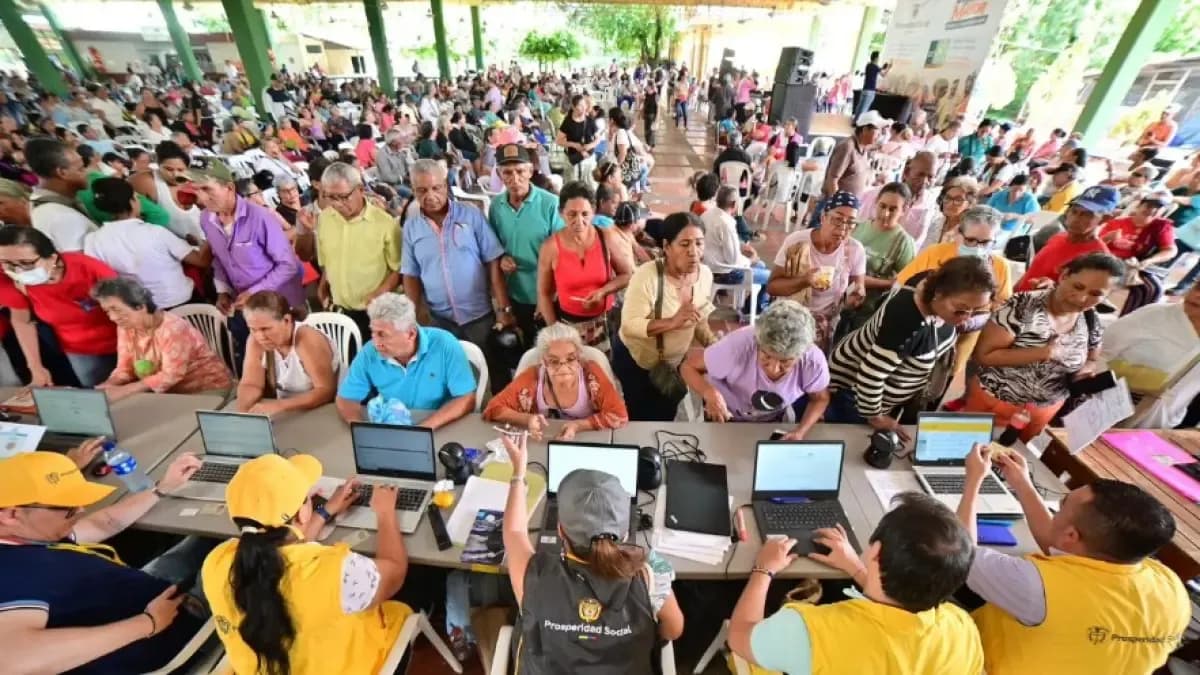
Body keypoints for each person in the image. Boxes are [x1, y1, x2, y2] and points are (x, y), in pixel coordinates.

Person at [958, 447, 1189, 675]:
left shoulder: (1035, 587)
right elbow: (1057, 542)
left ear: (1071, 535)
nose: (1055, 514)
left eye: (1061, 508)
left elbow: (963, 555)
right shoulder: (1170, 585)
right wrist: (1021, 482)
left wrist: (973, 482)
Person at [0, 450, 211, 674]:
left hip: (142, 589)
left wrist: (161, 489)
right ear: (12, 514)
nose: (81, 510)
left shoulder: (30, 534)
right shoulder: (12, 576)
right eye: (68, 507)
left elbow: (104, 523)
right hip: (175, 630)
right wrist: (148, 622)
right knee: (244, 557)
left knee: (206, 540)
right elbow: (10, 661)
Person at [201, 453, 413, 675]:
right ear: (303, 512)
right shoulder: (337, 571)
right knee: (416, 591)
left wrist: (324, 513)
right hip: (352, 666)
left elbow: (282, 553)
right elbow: (395, 572)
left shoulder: (216, 562)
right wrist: (385, 513)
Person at [729, 493, 982, 674]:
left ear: (875, 552)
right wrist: (859, 569)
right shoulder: (963, 628)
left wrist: (763, 570)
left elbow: (739, 636)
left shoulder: (807, 630)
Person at [499, 433, 684, 673]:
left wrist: (518, 474)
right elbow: (673, 630)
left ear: (560, 531)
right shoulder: (649, 577)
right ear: (625, 534)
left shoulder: (532, 576)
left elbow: (514, 532)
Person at [827, 256, 997, 433]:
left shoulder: (933, 283)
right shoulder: (907, 320)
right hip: (854, 395)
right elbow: (871, 375)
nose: (967, 317)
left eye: (976, 311)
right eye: (961, 309)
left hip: (876, 396)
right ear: (938, 292)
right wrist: (876, 417)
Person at [968, 252, 1123, 439]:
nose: (1082, 298)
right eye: (1078, 286)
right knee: (967, 452)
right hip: (996, 401)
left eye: (1096, 294)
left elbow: (1091, 357)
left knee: (1010, 460)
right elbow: (984, 355)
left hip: (1044, 410)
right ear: (1064, 276)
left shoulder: (1090, 319)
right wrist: (1044, 353)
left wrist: (1083, 375)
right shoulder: (1021, 306)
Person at [192, 159, 304, 358]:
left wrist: (254, 291)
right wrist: (223, 291)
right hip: (244, 307)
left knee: (288, 362)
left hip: (278, 306)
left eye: (207, 189)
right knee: (253, 360)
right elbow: (219, 257)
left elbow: (288, 265)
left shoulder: (260, 217)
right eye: (197, 190)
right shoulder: (206, 219)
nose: (201, 197)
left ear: (229, 187)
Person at [614, 212, 716, 421]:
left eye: (699, 243)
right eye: (685, 244)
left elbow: (699, 316)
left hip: (673, 363)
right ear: (667, 247)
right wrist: (672, 322)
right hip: (638, 360)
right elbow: (630, 326)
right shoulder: (647, 276)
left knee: (666, 412)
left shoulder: (704, 275)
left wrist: (715, 345)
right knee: (640, 417)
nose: (693, 252)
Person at [402, 156, 514, 345]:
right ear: (413, 191)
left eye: (436, 188)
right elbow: (410, 274)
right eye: (422, 191)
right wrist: (410, 317)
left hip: (479, 316)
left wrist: (504, 309)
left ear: (445, 186)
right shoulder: (411, 227)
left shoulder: (471, 215)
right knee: (447, 371)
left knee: (489, 368)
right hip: (439, 319)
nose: (430, 196)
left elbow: (493, 262)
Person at [681, 299, 830, 437]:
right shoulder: (737, 346)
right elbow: (688, 367)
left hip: (772, 421)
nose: (774, 368)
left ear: (802, 354)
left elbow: (819, 399)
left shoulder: (813, 362)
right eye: (766, 356)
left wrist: (800, 432)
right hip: (724, 416)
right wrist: (709, 393)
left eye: (786, 362)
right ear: (757, 343)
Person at [898, 205, 1012, 376]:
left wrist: (972, 321)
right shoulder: (935, 254)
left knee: (937, 383)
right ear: (959, 234)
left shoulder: (1000, 266)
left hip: (959, 345)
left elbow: (1001, 307)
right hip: (915, 333)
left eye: (986, 242)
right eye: (971, 240)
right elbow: (902, 286)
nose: (978, 247)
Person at [336, 293, 476, 428]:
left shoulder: (444, 344)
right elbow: (346, 398)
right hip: (391, 425)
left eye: (382, 335)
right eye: (373, 332)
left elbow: (466, 398)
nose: (375, 342)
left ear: (410, 334)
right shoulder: (369, 352)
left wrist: (423, 429)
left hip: (439, 424)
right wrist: (359, 428)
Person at [0, 226, 117, 387]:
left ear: (52, 257)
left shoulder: (87, 268)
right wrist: (35, 367)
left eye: (26, 263)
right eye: (6, 263)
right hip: (79, 351)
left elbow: (128, 311)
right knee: (99, 397)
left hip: (122, 342)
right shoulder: (13, 282)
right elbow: (23, 322)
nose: (17, 270)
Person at [92, 276, 231, 401]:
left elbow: (171, 375)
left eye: (117, 310)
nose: (113, 317)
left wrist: (126, 390)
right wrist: (109, 385)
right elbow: (124, 367)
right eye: (107, 311)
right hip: (168, 393)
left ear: (141, 306)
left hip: (205, 389)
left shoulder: (173, 328)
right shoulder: (125, 327)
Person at [483, 322, 627, 439]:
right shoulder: (533, 376)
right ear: (543, 362)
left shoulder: (591, 374)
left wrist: (579, 425)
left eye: (570, 359)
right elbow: (493, 409)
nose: (564, 367)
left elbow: (619, 415)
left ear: (579, 357)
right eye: (554, 361)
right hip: (542, 440)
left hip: (587, 440)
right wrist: (527, 419)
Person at [84, 177, 206, 310]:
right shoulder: (155, 232)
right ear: (132, 201)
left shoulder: (93, 241)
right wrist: (205, 239)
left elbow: (102, 280)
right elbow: (201, 260)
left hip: (142, 310)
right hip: (182, 302)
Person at [536, 182, 631, 352]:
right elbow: (544, 293)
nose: (579, 221)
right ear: (561, 213)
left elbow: (626, 274)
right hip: (569, 325)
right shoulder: (550, 247)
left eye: (585, 214)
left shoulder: (605, 237)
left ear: (593, 211)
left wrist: (603, 291)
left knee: (607, 373)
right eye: (571, 214)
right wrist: (555, 331)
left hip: (607, 321)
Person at [767, 191, 867, 350]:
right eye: (838, 219)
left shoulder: (855, 250)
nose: (843, 227)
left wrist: (854, 298)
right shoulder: (797, 241)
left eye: (851, 222)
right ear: (823, 217)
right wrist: (804, 281)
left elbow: (857, 289)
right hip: (789, 316)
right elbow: (772, 286)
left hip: (824, 323)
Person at [316, 162, 401, 341]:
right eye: (331, 197)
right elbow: (328, 259)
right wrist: (323, 285)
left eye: (344, 196)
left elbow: (399, 269)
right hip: (340, 311)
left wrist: (380, 292)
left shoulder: (384, 223)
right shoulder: (324, 218)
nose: (338, 204)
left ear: (360, 189)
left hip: (377, 312)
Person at [488, 143, 565, 342]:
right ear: (499, 174)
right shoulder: (496, 207)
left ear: (530, 171)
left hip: (548, 293)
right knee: (524, 345)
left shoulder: (551, 204)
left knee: (550, 346)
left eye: (520, 171)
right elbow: (495, 247)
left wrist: (546, 296)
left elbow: (561, 255)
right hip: (515, 293)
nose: (514, 179)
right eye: (507, 173)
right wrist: (503, 257)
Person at [1103, 280, 1200, 427]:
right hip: (1106, 410)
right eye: (1198, 287)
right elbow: (1100, 353)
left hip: (1160, 424)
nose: (1197, 295)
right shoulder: (1154, 315)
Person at [235, 290, 338, 416]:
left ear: (287, 320)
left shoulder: (307, 339)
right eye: (253, 329)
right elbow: (250, 384)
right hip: (287, 410)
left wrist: (279, 406)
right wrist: (243, 413)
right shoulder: (255, 341)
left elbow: (325, 391)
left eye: (265, 329)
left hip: (324, 409)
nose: (260, 336)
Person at [1017, 186, 1119, 291]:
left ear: (1105, 219)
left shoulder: (1097, 259)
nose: (1076, 219)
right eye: (1074, 211)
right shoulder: (1057, 237)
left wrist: (1052, 288)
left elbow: (1081, 297)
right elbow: (1031, 273)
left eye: (1087, 215)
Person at [847, 182, 917, 331]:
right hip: (842, 301)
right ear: (875, 202)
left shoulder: (903, 243)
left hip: (868, 312)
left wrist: (867, 281)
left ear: (904, 210)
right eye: (882, 206)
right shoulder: (859, 227)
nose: (885, 213)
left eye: (893, 209)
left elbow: (906, 282)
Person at [702, 185, 770, 309]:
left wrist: (740, 245)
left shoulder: (707, 214)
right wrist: (751, 260)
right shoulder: (726, 223)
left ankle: (749, 305)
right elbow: (732, 260)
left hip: (707, 267)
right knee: (771, 277)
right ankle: (752, 309)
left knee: (761, 265)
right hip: (724, 273)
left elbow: (716, 241)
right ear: (734, 204)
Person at [25, 137, 96, 251]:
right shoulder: (62, 218)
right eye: (81, 169)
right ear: (62, 172)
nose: (87, 173)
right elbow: (83, 264)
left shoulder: (40, 201)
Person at [129, 141, 205, 243]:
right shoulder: (145, 182)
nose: (175, 174)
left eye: (180, 170)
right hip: (171, 245)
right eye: (169, 169)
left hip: (204, 240)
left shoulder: (195, 181)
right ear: (158, 165)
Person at [860, 152, 937, 247]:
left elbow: (918, 242)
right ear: (906, 172)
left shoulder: (928, 204)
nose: (925, 181)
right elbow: (860, 227)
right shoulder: (876, 195)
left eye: (931, 177)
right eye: (920, 174)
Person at [818, 111, 884, 218]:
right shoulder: (847, 147)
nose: (879, 135)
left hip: (847, 209)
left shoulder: (864, 149)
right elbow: (832, 179)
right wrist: (836, 207)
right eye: (877, 131)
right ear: (865, 129)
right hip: (834, 208)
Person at [922, 175, 980, 249]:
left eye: (958, 200)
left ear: (969, 204)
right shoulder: (937, 222)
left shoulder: (968, 233)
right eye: (948, 198)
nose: (950, 203)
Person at [558, 94, 600, 185]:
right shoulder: (568, 122)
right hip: (574, 159)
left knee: (591, 184)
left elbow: (597, 139)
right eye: (580, 105)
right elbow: (559, 141)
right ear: (573, 107)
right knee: (573, 185)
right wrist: (573, 144)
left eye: (584, 105)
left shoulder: (590, 120)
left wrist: (590, 145)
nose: (584, 108)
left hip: (588, 158)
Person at [986, 174, 1039, 238]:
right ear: (1009, 187)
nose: (1016, 194)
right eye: (1014, 190)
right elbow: (986, 210)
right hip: (993, 227)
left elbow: (1033, 220)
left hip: (1014, 233)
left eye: (1021, 191)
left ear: (1025, 190)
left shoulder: (1030, 200)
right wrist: (996, 216)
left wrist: (1015, 216)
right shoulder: (1000, 195)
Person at [854, 50, 889, 117]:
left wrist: (883, 67)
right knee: (864, 108)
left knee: (860, 107)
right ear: (876, 58)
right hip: (871, 90)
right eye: (878, 57)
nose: (879, 59)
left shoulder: (868, 65)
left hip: (864, 89)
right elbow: (883, 75)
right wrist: (888, 68)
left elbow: (878, 69)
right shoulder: (875, 67)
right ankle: (859, 123)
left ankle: (855, 121)